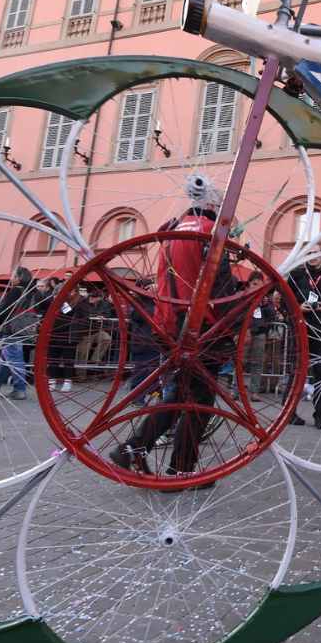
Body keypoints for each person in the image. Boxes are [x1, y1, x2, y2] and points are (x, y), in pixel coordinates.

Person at [110, 188, 238, 484]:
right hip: (199, 327)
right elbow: (220, 289)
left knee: (179, 395)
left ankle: (131, 449)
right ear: (213, 206)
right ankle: (181, 468)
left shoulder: (172, 231)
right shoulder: (209, 233)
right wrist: (231, 327)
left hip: (167, 323)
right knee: (199, 402)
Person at [287, 255, 321, 429]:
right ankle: (289, 413)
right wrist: (298, 306)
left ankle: (320, 415)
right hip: (300, 329)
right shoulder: (296, 275)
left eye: (316, 254)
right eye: (309, 254)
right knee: (296, 373)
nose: (313, 258)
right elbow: (284, 299)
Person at [0, 266, 37, 400]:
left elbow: (7, 309)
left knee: (14, 359)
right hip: (24, 327)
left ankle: (19, 389)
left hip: (11, 328)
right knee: (7, 359)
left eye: (13, 276)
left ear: (19, 277)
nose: (11, 278)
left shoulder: (16, 291)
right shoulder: (31, 291)